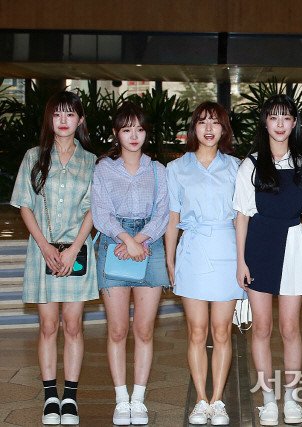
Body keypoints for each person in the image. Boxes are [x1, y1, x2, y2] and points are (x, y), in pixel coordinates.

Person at [11, 91, 97, 426]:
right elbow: (25, 204)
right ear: (50, 119)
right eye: (57, 114)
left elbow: (93, 209)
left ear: (80, 120)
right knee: (48, 325)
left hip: (77, 251)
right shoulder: (34, 156)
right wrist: (45, 246)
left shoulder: (90, 161)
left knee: (73, 325)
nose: (63, 120)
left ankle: (70, 398)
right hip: (42, 251)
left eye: (70, 114)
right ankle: (50, 396)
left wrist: (74, 248)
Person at [234, 94, 302, 426]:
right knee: (262, 327)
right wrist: (241, 261)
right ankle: (268, 399)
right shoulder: (251, 164)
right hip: (259, 245)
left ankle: (292, 397)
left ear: (294, 123)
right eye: (274, 117)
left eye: (286, 117)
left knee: (290, 327)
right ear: (265, 122)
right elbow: (241, 216)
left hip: (294, 244)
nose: (280, 124)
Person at [165, 101, 245, 425]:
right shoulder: (176, 168)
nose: (209, 129)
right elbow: (173, 218)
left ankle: (218, 400)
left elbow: (242, 218)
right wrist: (170, 260)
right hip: (193, 250)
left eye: (215, 122)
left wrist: (243, 260)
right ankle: (200, 399)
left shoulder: (237, 167)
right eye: (202, 122)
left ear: (224, 129)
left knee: (222, 331)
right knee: (197, 331)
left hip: (227, 248)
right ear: (193, 128)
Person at [91, 102, 170, 426]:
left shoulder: (158, 169)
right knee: (118, 329)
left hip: (150, 245)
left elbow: (163, 212)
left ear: (146, 133)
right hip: (114, 242)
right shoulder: (104, 168)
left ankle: (139, 399)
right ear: (116, 133)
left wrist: (140, 240)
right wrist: (127, 239)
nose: (134, 135)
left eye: (139, 129)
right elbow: (101, 212)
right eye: (127, 129)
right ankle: (121, 400)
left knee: (144, 329)